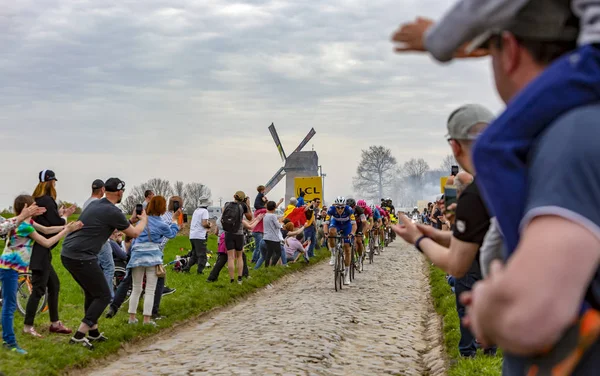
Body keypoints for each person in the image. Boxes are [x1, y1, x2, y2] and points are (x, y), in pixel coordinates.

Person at [446, 4, 600, 374]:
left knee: (491, 150)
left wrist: (491, 306)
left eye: (490, 52)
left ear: (510, 50)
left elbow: (530, 314)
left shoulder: (571, 138)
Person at [393, 104, 496, 358]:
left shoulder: (473, 194)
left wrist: (417, 239)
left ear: (455, 147)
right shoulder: (502, 178)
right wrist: (434, 233)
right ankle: (489, 348)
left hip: (477, 268)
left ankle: (471, 353)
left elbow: (456, 265)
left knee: (467, 306)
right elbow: (481, 234)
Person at [61, 178, 148, 349]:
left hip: (69, 252)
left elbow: (111, 226)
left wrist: (129, 221)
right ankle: (79, 335)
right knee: (104, 295)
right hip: (82, 256)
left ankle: (93, 332)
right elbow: (136, 233)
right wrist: (143, 220)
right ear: (119, 192)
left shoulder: (96, 205)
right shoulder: (112, 211)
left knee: (92, 293)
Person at [0, 195, 81, 354]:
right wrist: (66, 231)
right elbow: (46, 242)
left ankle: (9, 339)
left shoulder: (28, 222)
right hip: (10, 268)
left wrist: (67, 224)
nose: (37, 208)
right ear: (26, 207)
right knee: (9, 307)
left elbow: (46, 229)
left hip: (11, 268)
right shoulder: (24, 225)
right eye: (34, 206)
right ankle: (10, 342)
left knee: (8, 304)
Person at [24, 169, 76, 338]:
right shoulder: (48, 199)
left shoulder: (37, 200)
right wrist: (65, 218)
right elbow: (54, 222)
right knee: (38, 290)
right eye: (54, 181)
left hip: (40, 251)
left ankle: (55, 323)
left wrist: (61, 217)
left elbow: (48, 223)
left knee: (54, 285)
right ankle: (28, 326)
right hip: (40, 252)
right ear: (51, 182)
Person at [127, 196, 179, 326]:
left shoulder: (142, 222)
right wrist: (174, 221)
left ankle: (132, 318)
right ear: (162, 208)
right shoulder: (161, 224)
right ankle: (146, 320)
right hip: (153, 256)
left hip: (137, 255)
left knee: (136, 288)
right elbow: (172, 234)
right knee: (150, 290)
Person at [82, 179, 115, 298]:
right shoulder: (99, 204)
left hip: (87, 241)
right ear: (103, 190)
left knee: (96, 268)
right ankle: (107, 296)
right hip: (100, 241)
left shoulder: (86, 203)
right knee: (109, 267)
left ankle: (94, 294)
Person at [323, 197, 356, 285]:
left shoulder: (349, 210)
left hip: (347, 226)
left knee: (347, 249)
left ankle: (346, 274)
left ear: (345, 206)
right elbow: (326, 224)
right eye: (338, 207)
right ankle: (333, 254)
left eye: (342, 207)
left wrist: (352, 233)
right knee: (332, 232)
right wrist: (326, 233)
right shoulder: (331, 210)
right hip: (336, 224)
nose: (340, 209)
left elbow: (354, 225)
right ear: (335, 206)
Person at [222, 191, 252, 284]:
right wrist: (248, 205)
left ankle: (231, 279)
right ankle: (239, 279)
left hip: (228, 233)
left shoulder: (227, 204)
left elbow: (224, 214)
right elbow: (250, 217)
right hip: (239, 233)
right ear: (243, 199)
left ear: (234, 196)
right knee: (239, 256)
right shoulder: (243, 206)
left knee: (230, 257)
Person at [184, 196, 211, 274]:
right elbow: (204, 223)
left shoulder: (196, 210)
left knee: (195, 254)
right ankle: (200, 271)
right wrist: (209, 225)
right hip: (200, 236)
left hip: (192, 235)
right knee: (202, 255)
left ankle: (186, 268)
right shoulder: (205, 211)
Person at [262, 201, 283, 267]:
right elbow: (278, 226)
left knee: (269, 253)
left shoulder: (265, 215)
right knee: (278, 253)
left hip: (266, 236)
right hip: (273, 237)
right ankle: (272, 266)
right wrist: (282, 224)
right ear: (274, 208)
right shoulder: (273, 216)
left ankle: (267, 267)